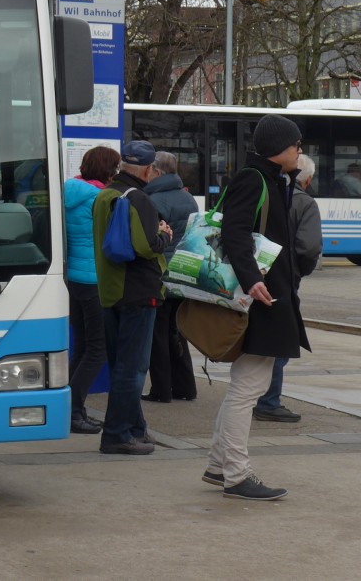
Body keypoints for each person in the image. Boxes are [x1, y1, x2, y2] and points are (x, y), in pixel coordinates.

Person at [204, 113, 309, 501]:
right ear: (280, 148)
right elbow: (233, 230)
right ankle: (236, 473)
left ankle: (219, 466)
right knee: (247, 389)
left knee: (247, 386)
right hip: (261, 299)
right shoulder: (255, 178)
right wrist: (252, 280)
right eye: (297, 144)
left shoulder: (271, 178)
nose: (300, 150)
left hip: (266, 298)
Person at [91, 139, 172, 456]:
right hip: (137, 291)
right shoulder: (137, 199)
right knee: (133, 367)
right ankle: (116, 434)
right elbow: (146, 247)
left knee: (122, 364)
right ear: (150, 169)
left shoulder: (105, 195)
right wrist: (164, 235)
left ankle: (136, 429)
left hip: (110, 290)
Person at [254, 152, 322, 423]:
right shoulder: (305, 203)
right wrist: (297, 273)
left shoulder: (265, 193)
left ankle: (257, 395)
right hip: (284, 279)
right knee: (282, 339)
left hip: (254, 276)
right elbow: (309, 247)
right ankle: (269, 401)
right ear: (308, 180)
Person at [63, 145, 121, 434]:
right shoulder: (100, 199)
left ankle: (69, 408)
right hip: (95, 279)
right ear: (108, 171)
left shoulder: (70, 192)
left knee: (83, 346)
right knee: (97, 350)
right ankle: (73, 411)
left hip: (73, 278)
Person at [142, 151, 199, 402]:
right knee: (177, 330)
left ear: (157, 171)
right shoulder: (188, 199)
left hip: (161, 272)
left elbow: (150, 240)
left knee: (158, 332)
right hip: (184, 270)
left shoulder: (151, 199)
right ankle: (186, 387)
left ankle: (161, 390)